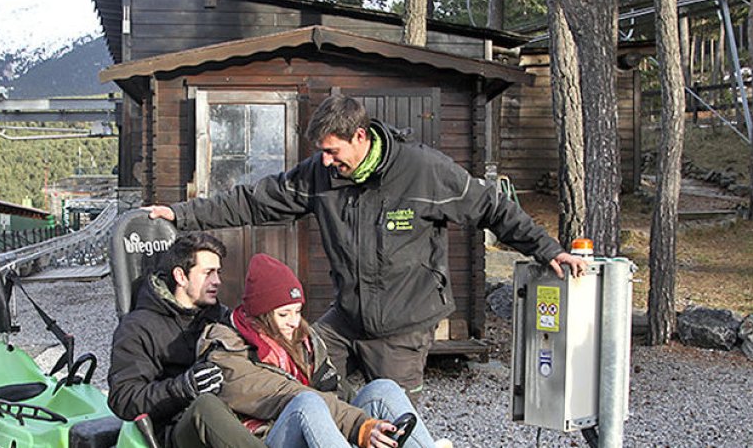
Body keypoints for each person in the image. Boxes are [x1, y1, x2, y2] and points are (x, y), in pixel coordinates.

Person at [148, 94, 589, 393]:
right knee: (302, 380)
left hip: (403, 324)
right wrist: (182, 214)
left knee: (390, 419)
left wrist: (548, 249)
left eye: (333, 151)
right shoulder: (321, 175)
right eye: (320, 151)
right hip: (348, 316)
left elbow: (493, 208)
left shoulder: (423, 171)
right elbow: (254, 201)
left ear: (360, 137)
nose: (325, 160)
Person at [199, 253, 452, 448]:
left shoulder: (304, 340)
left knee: (382, 389)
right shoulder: (226, 347)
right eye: (284, 314)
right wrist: (359, 425)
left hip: (317, 428)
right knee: (306, 402)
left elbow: (335, 390)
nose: (294, 321)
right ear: (261, 315)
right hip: (267, 437)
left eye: (298, 311)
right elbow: (286, 394)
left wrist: (374, 423)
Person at [108, 232, 264, 448]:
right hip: (177, 428)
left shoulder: (221, 317)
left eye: (218, 272)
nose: (217, 281)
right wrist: (182, 388)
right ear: (181, 276)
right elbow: (123, 398)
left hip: (235, 416)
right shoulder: (138, 327)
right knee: (206, 406)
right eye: (208, 273)